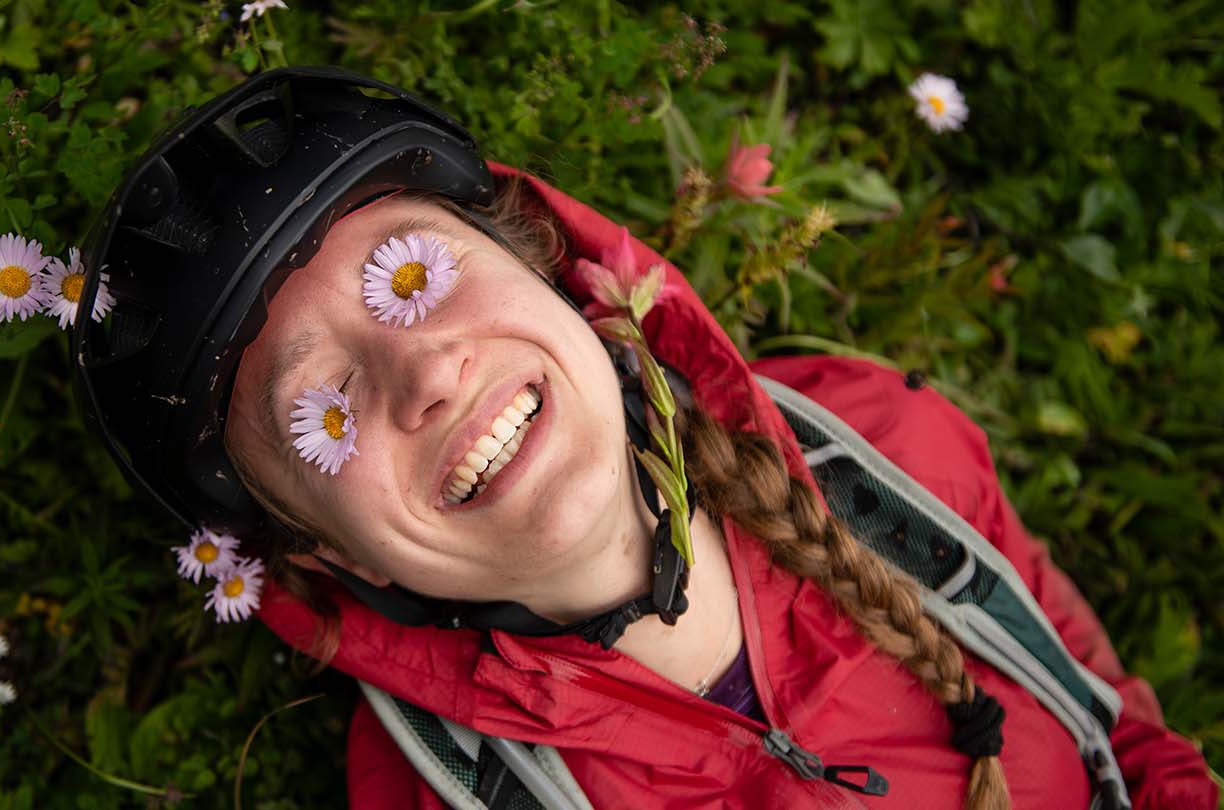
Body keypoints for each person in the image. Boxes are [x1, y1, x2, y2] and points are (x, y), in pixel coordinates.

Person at [74, 68, 1216, 809]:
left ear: (562, 284)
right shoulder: (438, 798)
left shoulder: (881, 445)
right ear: (335, 559)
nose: (421, 371)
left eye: (417, 277)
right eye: (316, 408)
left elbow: (1091, 694)